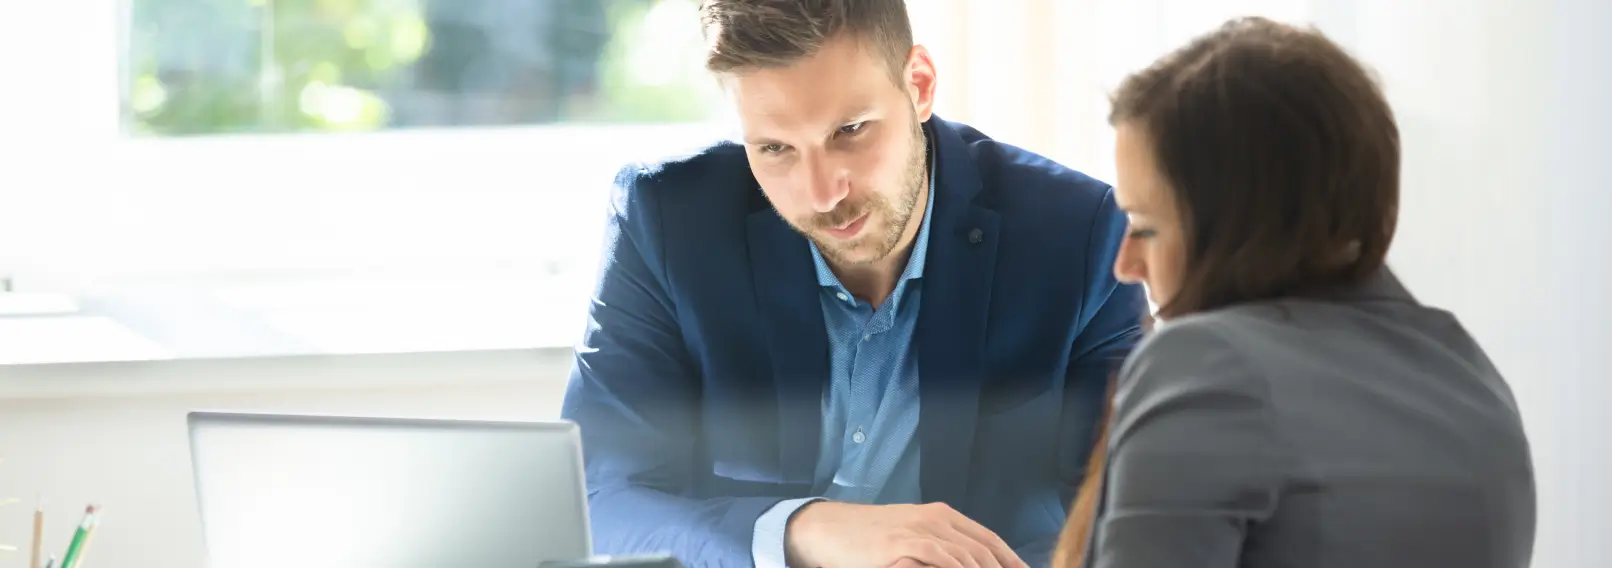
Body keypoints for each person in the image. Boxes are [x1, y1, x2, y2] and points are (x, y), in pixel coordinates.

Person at [559, 1, 1147, 567]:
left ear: (918, 85)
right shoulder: (666, 221)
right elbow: (600, 501)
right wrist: (806, 529)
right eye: (775, 148)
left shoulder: (1080, 235)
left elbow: (1128, 515)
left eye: (850, 130)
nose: (822, 194)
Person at [1050, 17, 1537, 568]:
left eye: (1145, 226)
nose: (1125, 265)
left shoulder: (1205, 362)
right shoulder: (1469, 376)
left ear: (1238, 223)